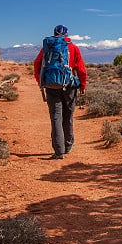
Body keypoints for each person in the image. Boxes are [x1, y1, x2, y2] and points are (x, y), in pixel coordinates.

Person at [33, 25, 87, 159]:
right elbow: (80, 68)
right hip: (69, 86)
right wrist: (83, 84)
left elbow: (37, 64)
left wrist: (41, 82)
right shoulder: (73, 47)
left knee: (56, 117)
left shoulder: (47, 47)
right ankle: (68, 146)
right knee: (68, 116)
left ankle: (58, 152)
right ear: (67, 34)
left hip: (51, 86)